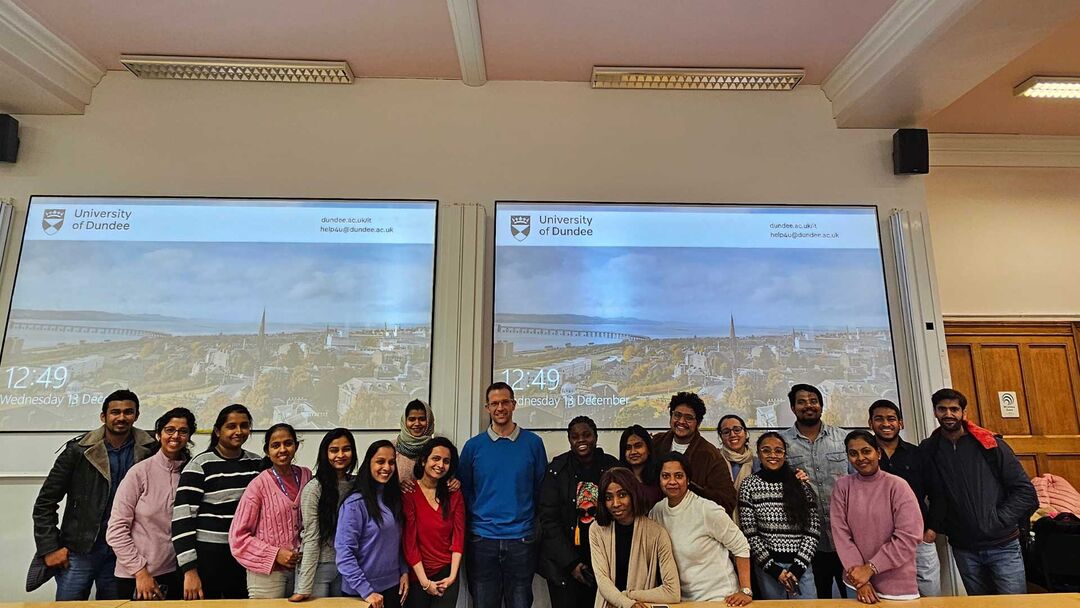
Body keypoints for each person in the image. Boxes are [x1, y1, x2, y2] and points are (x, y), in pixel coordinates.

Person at [33, 389, 156, 600]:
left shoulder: (151, 449)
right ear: (103, 416)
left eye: (128, 412)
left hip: (124, 551)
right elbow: (46, 501)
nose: (121, 417)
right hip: (79, 550)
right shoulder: (78, 450)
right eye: (115, 412)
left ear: (136, 416)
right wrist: (50, 548)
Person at [920, 388, 1038, 596]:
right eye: (942, 409)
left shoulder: (991, 445)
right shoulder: (930, 449)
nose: (948, 414)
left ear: (963, 413)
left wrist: (998, 520)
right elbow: (934, 493)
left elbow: (1025, 492)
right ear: (935, 412)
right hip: (964, 548)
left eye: (954, 409)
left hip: (1003, 546)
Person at [458, 382, 547, 608]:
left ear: (514, 405)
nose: (500, 407)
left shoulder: (534, 444)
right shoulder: (473, 447)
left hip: (522, 539)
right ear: (487, 408)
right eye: (494, 403)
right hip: (482, 540)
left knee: (520, 602)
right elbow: (465, 490)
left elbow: (540, 488)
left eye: (505, 402)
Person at [172, 403, 263, 600]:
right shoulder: (199, 465)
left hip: (244, 557)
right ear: (217, 431)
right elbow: (182, 521)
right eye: (231, 426)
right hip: (207, 558)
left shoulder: (257, 464)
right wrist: (189, 570)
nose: (238, 431)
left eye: (244, 426)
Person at [105, 407, 195, 600]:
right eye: (170, 430)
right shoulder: (139, 473)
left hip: (177, 574)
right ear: (158, 434)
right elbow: (116, 530)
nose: (176, 436)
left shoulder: (192, 473)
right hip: (137, 576)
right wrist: (140, 572)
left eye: (183, 431)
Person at [831, 430, 922, 603]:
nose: (860, 458)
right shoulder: (842, 487)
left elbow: (909, 536)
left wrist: (870, 569)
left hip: (897, 586)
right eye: (853, 453)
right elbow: (841, 536)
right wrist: (860, 578)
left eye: (866, 451)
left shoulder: (897, 486)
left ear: (878, 453)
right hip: (856, 583)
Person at [650, 452, 753, 606]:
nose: (672, 481)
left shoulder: (706, 509)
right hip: (682, 600)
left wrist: (745, 590)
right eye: (666, 476)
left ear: (688, 479)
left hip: (720, 598)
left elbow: (741, 546)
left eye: (678, 476)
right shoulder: (657, 511)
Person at [540, 416, 620, 608]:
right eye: (575, 436)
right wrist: (572, 564)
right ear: (569, 440)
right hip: (565, 565)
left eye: (586, 435)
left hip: (607, 562)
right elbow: (548, 521)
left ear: (596, 436)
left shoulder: (612, 467)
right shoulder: (557, 470)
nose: (581, 440)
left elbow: (623, 514)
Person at [779, 383, 850, 598]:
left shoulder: (843, 438)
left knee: (855, 595)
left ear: (821, 405)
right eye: (801, 402)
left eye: (813, 401)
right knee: (819, 598)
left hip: (847, 535)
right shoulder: (782, 443)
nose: (808, 406)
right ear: (792, 408)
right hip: (808, 540)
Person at [229, 423, 312, 598]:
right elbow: (238, 538)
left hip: (302, 572)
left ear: (296, 446)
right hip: (267, 574)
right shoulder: (258, 485)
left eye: (288, 443)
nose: (283, 449)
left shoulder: (307, 477)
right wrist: (275, 554)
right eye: (276, 445)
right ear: (267, 451)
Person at [868, 399, 940, 597]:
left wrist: (932, 529)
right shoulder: (865, 458)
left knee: (929, 590)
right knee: (887, 593)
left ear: (901, 423)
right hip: (880, 541)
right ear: (870, 423)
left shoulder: (918, 454)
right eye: (879, 419)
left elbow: (937, 493)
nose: (885, 424)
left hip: (919, 537)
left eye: (891, 419)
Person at [738, 432, 820, 600]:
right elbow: (750, 533)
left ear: (785, 454)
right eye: (766, 450)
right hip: (768, 569)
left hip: (801, 567)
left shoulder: (799, 483)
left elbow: (813, 530)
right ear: (759, 454)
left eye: (778, 450)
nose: (773, 455)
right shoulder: (749, 485)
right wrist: (774, 569)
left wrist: (798, 567)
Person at [590, 467, 680, 608]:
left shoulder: (657, 533)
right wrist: (626, 603)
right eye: (608, 498)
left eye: (622, 495)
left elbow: (673, 592)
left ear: (633, 494)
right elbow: (602, 580)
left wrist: (628, 596)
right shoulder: (596, 530)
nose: (615, 504)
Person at [336, 440, 410, 608]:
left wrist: (404, 571)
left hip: (393, 588)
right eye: (380, 461)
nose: (387, 467)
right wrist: (367, 591)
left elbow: (396, 542)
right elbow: (344, 554)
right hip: (361, 594)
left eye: (391, 462)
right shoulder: (354, 504)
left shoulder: (393, 499)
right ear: (368, 462)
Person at [292, 428, 358, 601]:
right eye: (334, 450)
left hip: (347, 567)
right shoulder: (314, 489)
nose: (341, 455)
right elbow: (311, 537)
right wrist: (304, 587)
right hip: (318, 568)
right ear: (325, 453)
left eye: (346, 449)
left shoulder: (356, 485)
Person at [402, 437, 466, 608]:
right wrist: (425, 582)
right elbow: (410, 542)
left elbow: (458, 538)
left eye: (446, 461)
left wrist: (452, 576)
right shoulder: (409, 493)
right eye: (435, 458)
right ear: (424, 460)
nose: (440, 465)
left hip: (447, 574)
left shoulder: (454, 494)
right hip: (417, 575)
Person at [652, 391, 737, 514]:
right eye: (677, 415)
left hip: (694, 524)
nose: (681, 421)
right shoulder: (656, 443)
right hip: (657, 517)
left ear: (698, 423)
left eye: (689, 418)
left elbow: (727, 501)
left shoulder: (710, 455)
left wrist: (693, 489)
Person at [718, 415, 758, 508]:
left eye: (737, 429)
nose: (732, 435)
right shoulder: (715, 460)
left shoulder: (758, 463)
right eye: (726, 431)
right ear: (721, 437)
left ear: (745, 432)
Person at [618, 425, 662, 508]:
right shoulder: (619, 479)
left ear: (648, 449)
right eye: (628, 448)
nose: (633, 452)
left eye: (638, 446)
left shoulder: (660, 476)